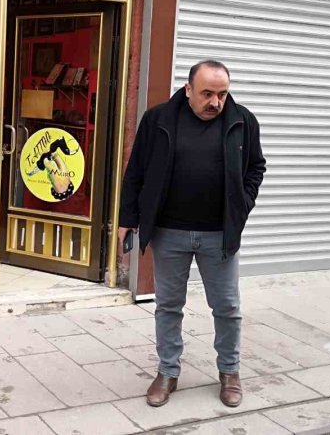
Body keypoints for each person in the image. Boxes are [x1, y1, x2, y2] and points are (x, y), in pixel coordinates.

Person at [118, 60, 266, 408]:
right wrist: (128, 217)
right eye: (207, 93)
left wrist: (242, 205)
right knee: (168, 305)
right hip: (169, 232)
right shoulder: (158, 120)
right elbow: (136, 170)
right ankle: (168, 372)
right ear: (188, 90)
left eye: (222, 94)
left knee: (227, 307)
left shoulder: (242, 121)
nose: (216, 102)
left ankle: (229, 372)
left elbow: (256, 167)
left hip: (219, 235)